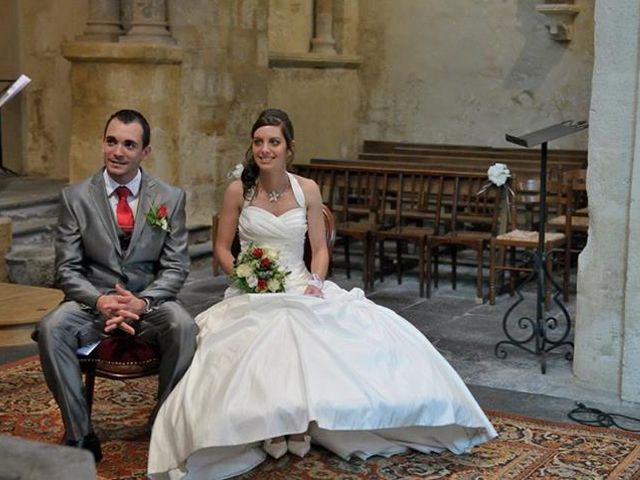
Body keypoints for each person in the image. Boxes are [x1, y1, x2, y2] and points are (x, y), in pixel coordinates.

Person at [148, 109, 496, 479]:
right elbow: (221, 248)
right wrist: (246, 279)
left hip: (300, 284)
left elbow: (320, 248)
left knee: (328, 332)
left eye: (274, 143)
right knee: (255, 340)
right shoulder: (239, 190)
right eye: (259, 142)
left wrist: (316, 281)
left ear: (289, 148)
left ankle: (300, 420)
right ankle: (270, 423)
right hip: (252, 288)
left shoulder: (308, 189)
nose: (265, 150)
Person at [35, 109, 198, 462]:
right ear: (102, 143)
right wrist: (100, 302)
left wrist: (142, 302)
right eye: (111, 142)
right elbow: (67, 269)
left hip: (149, 302)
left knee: (184, 327)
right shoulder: (74, 197)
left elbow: (175, 266)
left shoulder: (170, 198)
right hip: (91, 302)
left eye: (129, 144)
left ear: (145, 152)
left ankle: (162, 424)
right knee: (51, 328)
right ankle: (80, 434)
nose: (118, 152)